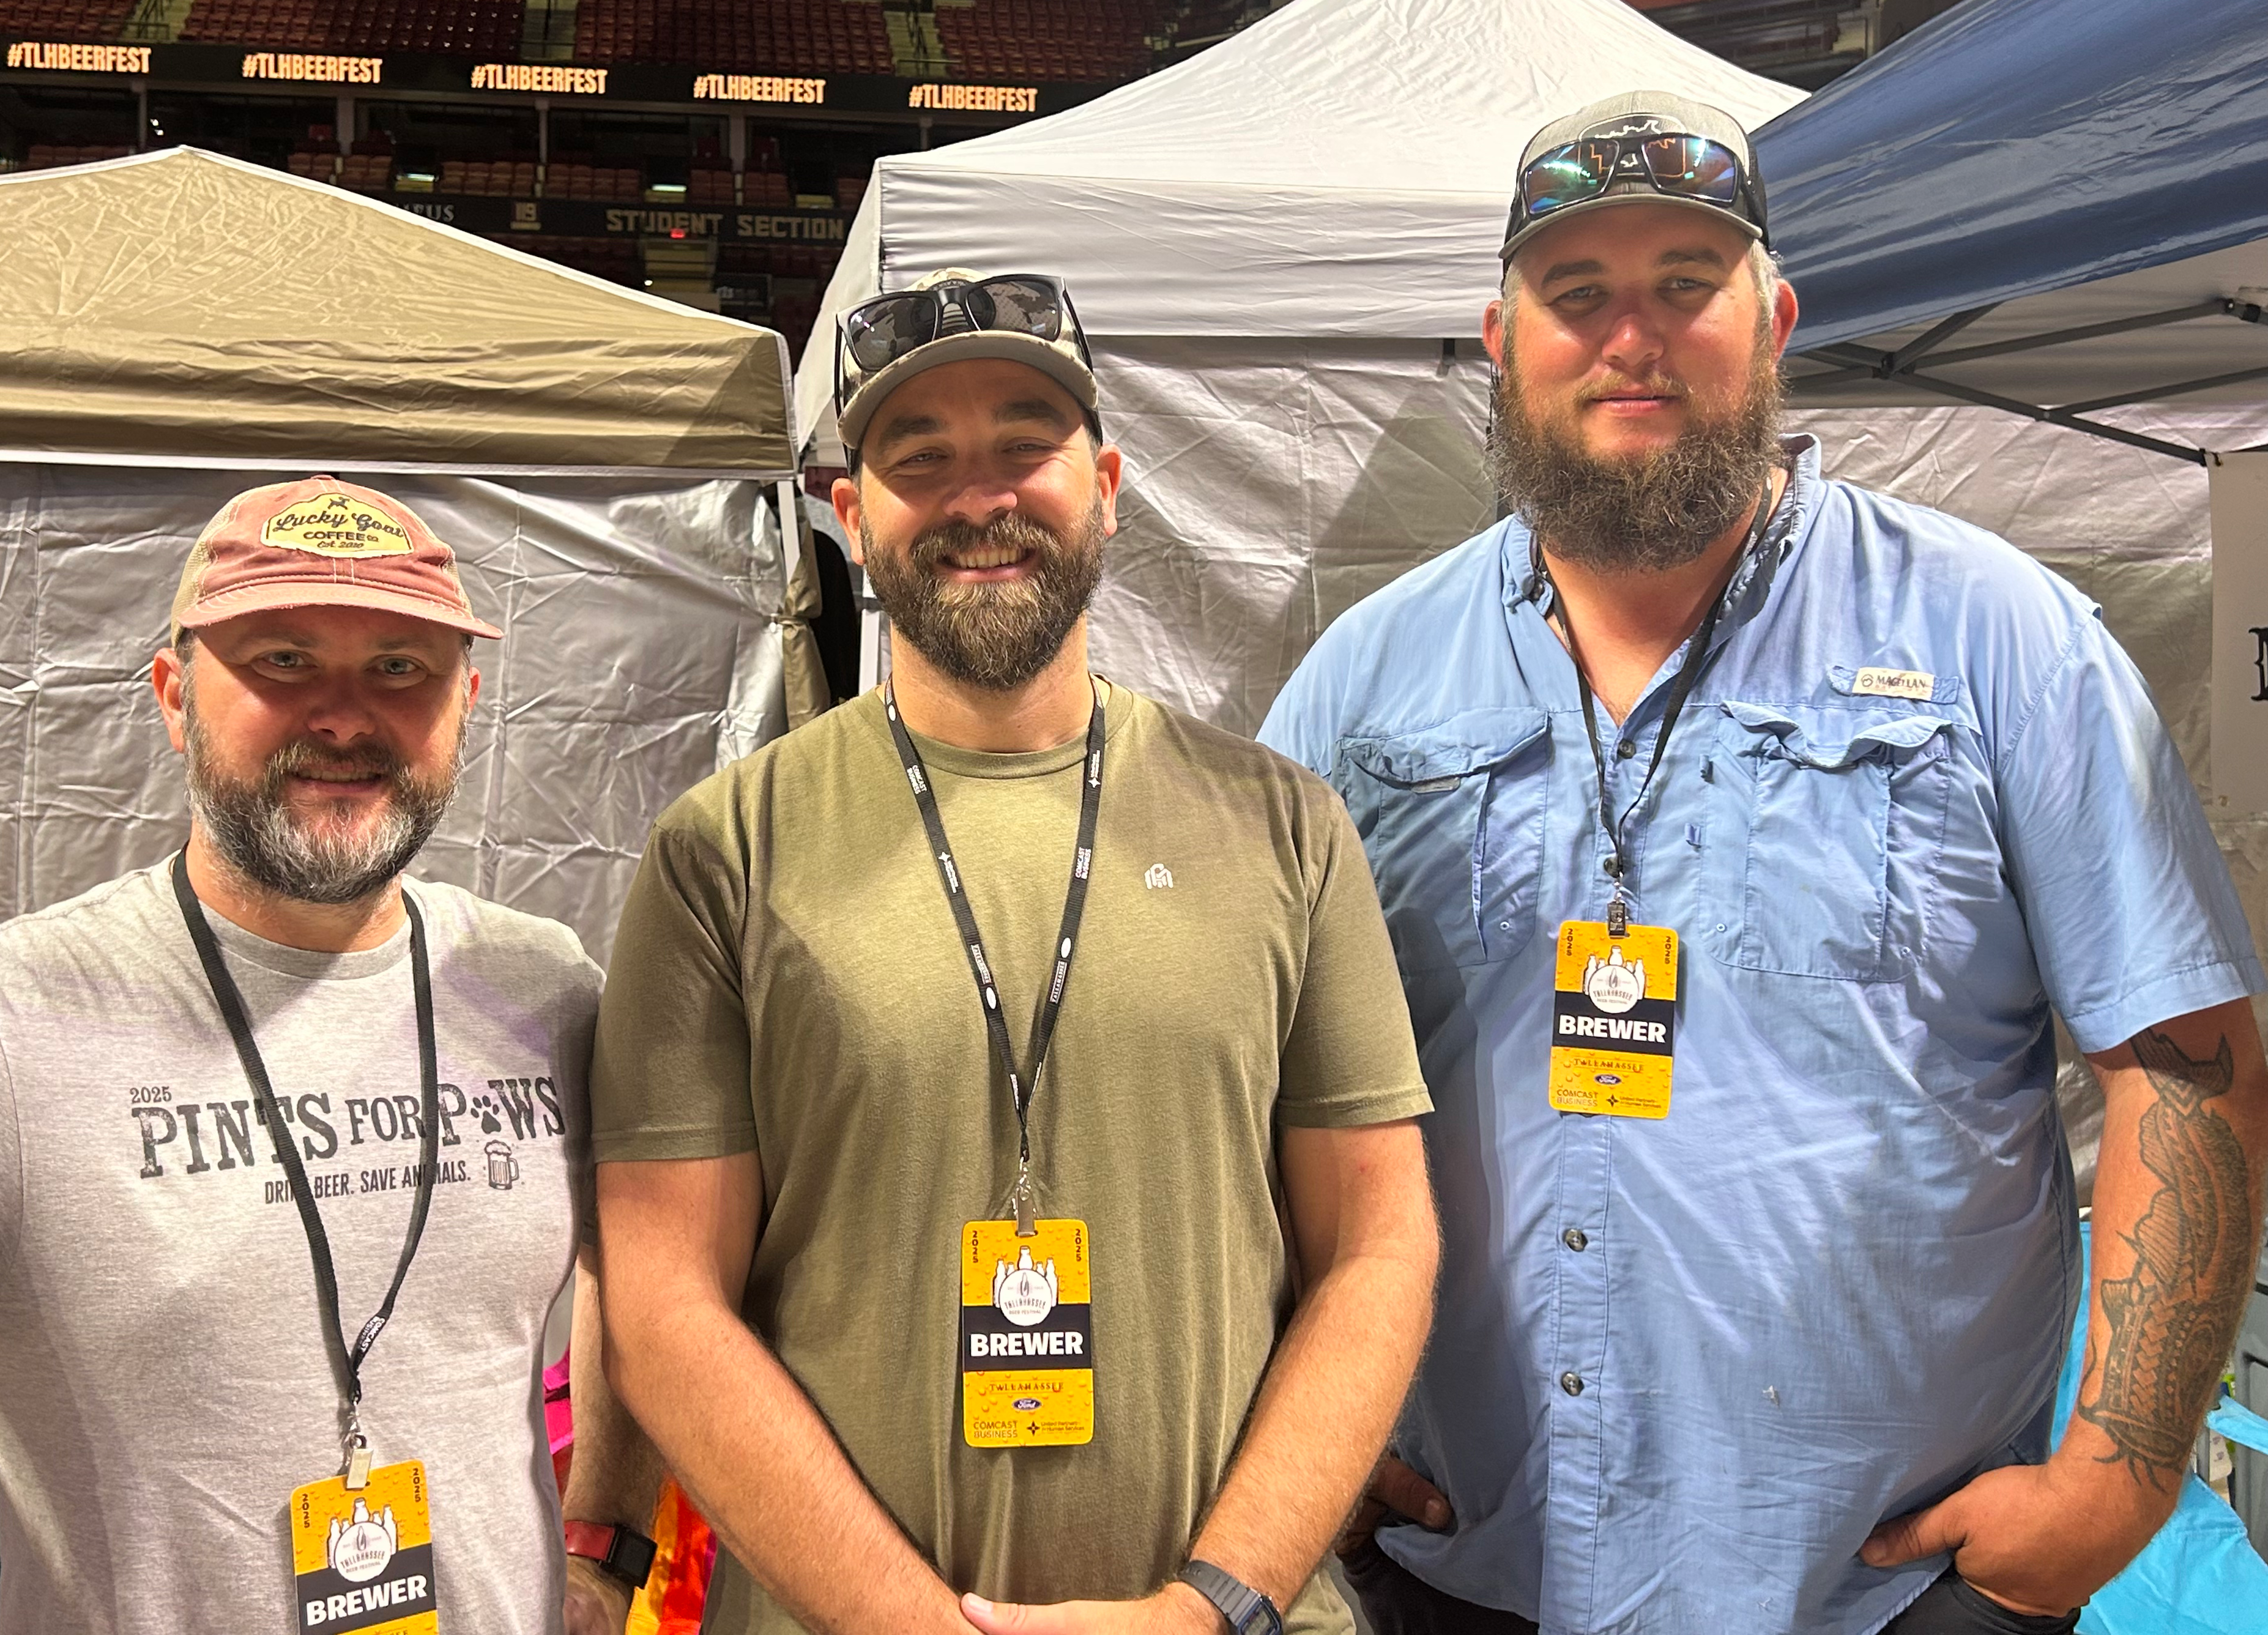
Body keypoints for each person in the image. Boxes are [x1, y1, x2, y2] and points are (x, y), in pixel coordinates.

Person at [1262, 91, 2268, 1635]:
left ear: (1776, 317)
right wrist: (1288, 1440)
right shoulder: (1360, 686)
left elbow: (2186, 1063)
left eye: (1686, 283)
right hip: (1459, 1572)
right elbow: (1242, 1090)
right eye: (1577, 294)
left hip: (1887, 1591)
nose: (1631, 337)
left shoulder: (1999, 640)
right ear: (1498, 338)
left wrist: (2116, 1482)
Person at [581, 269, 1439, 1635]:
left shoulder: (1284, 827)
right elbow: (666, 1299)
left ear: (1105, 483)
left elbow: (1380, 1245)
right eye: (919, 461)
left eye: (1024, 448)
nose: (980, 497)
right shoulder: (724, 851)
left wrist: (1214, 1604)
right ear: (853, 517)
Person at [0, 476, 630, 1633]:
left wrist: (605, 1540)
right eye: (283, 661)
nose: (344, 717)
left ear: (466, 702)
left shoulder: (543, 988)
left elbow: (651, 1277)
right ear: (174, 696)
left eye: (400, 667)